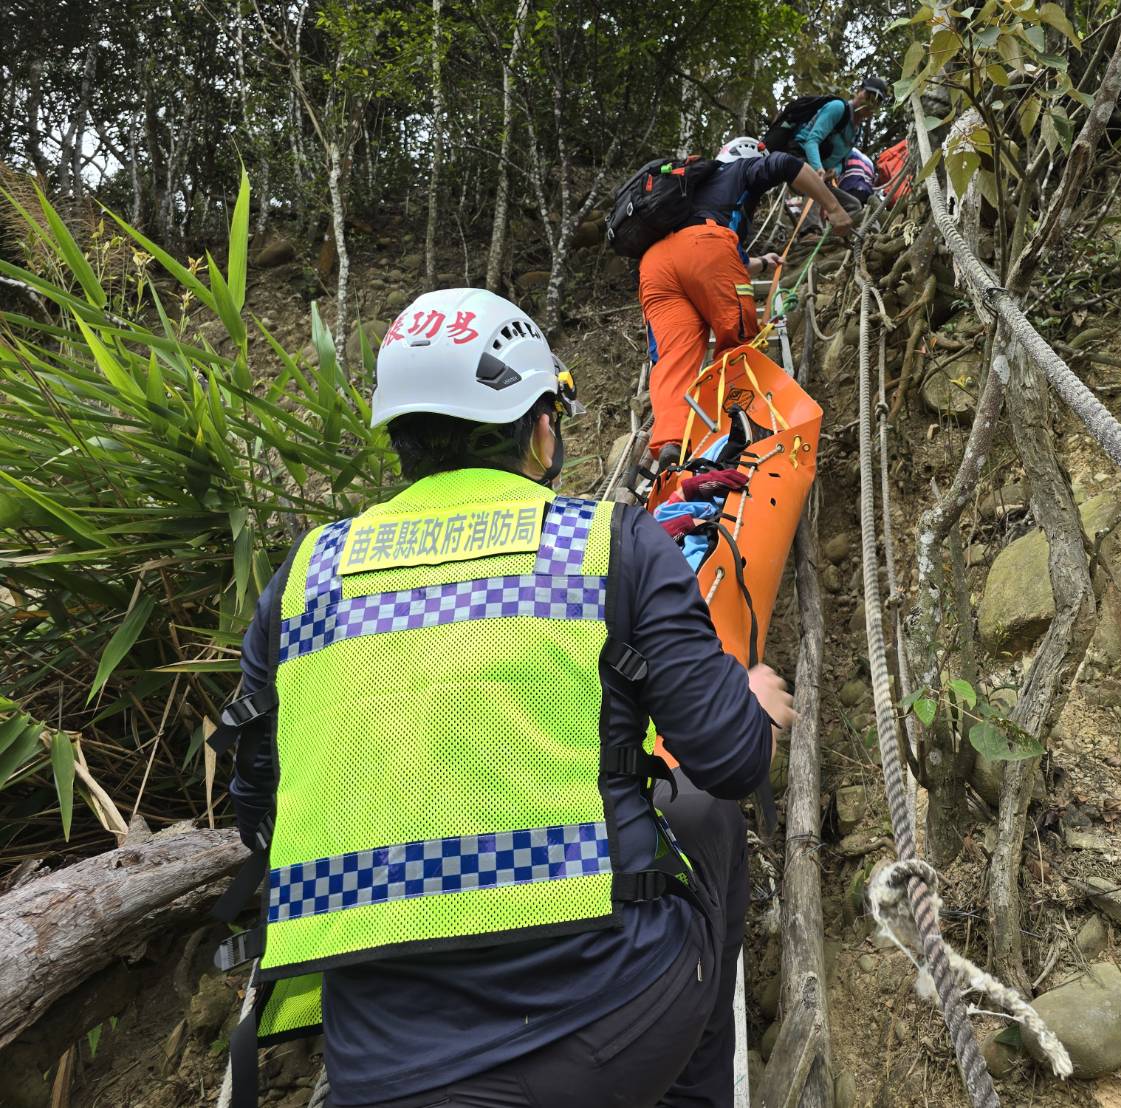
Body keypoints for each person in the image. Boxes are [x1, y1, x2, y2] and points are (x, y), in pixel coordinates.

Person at [222, 287, 796, 1107]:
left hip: (379, 1069)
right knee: (706, 819)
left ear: (401, 436)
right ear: (538, 427)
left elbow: (257, 807)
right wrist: (753, 704)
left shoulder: (304, 578)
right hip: (599, 1034)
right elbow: (730, 760)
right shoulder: (607, 544)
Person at [639, 136, 854, 457]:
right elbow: (786, 164)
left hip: (655, 265)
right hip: (706, 247)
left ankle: (672, 443)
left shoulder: (689, 191)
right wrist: (834, 207)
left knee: (674, 357)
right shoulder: (740, 169)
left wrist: (764, 263)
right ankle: (738, 434)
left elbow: (723, 257)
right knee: (737, 343)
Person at [762, 76, 889, 177]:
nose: (870, 103)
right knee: (822, 197)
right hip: (798, 157)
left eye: (876, 102)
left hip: (819, 174)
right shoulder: (838, 108)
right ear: (858, 91)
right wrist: (818, 169)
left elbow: (842, 162)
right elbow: (812, 141)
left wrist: (835, 171)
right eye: (868, 96)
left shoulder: (857, 132)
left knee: (849, 202)